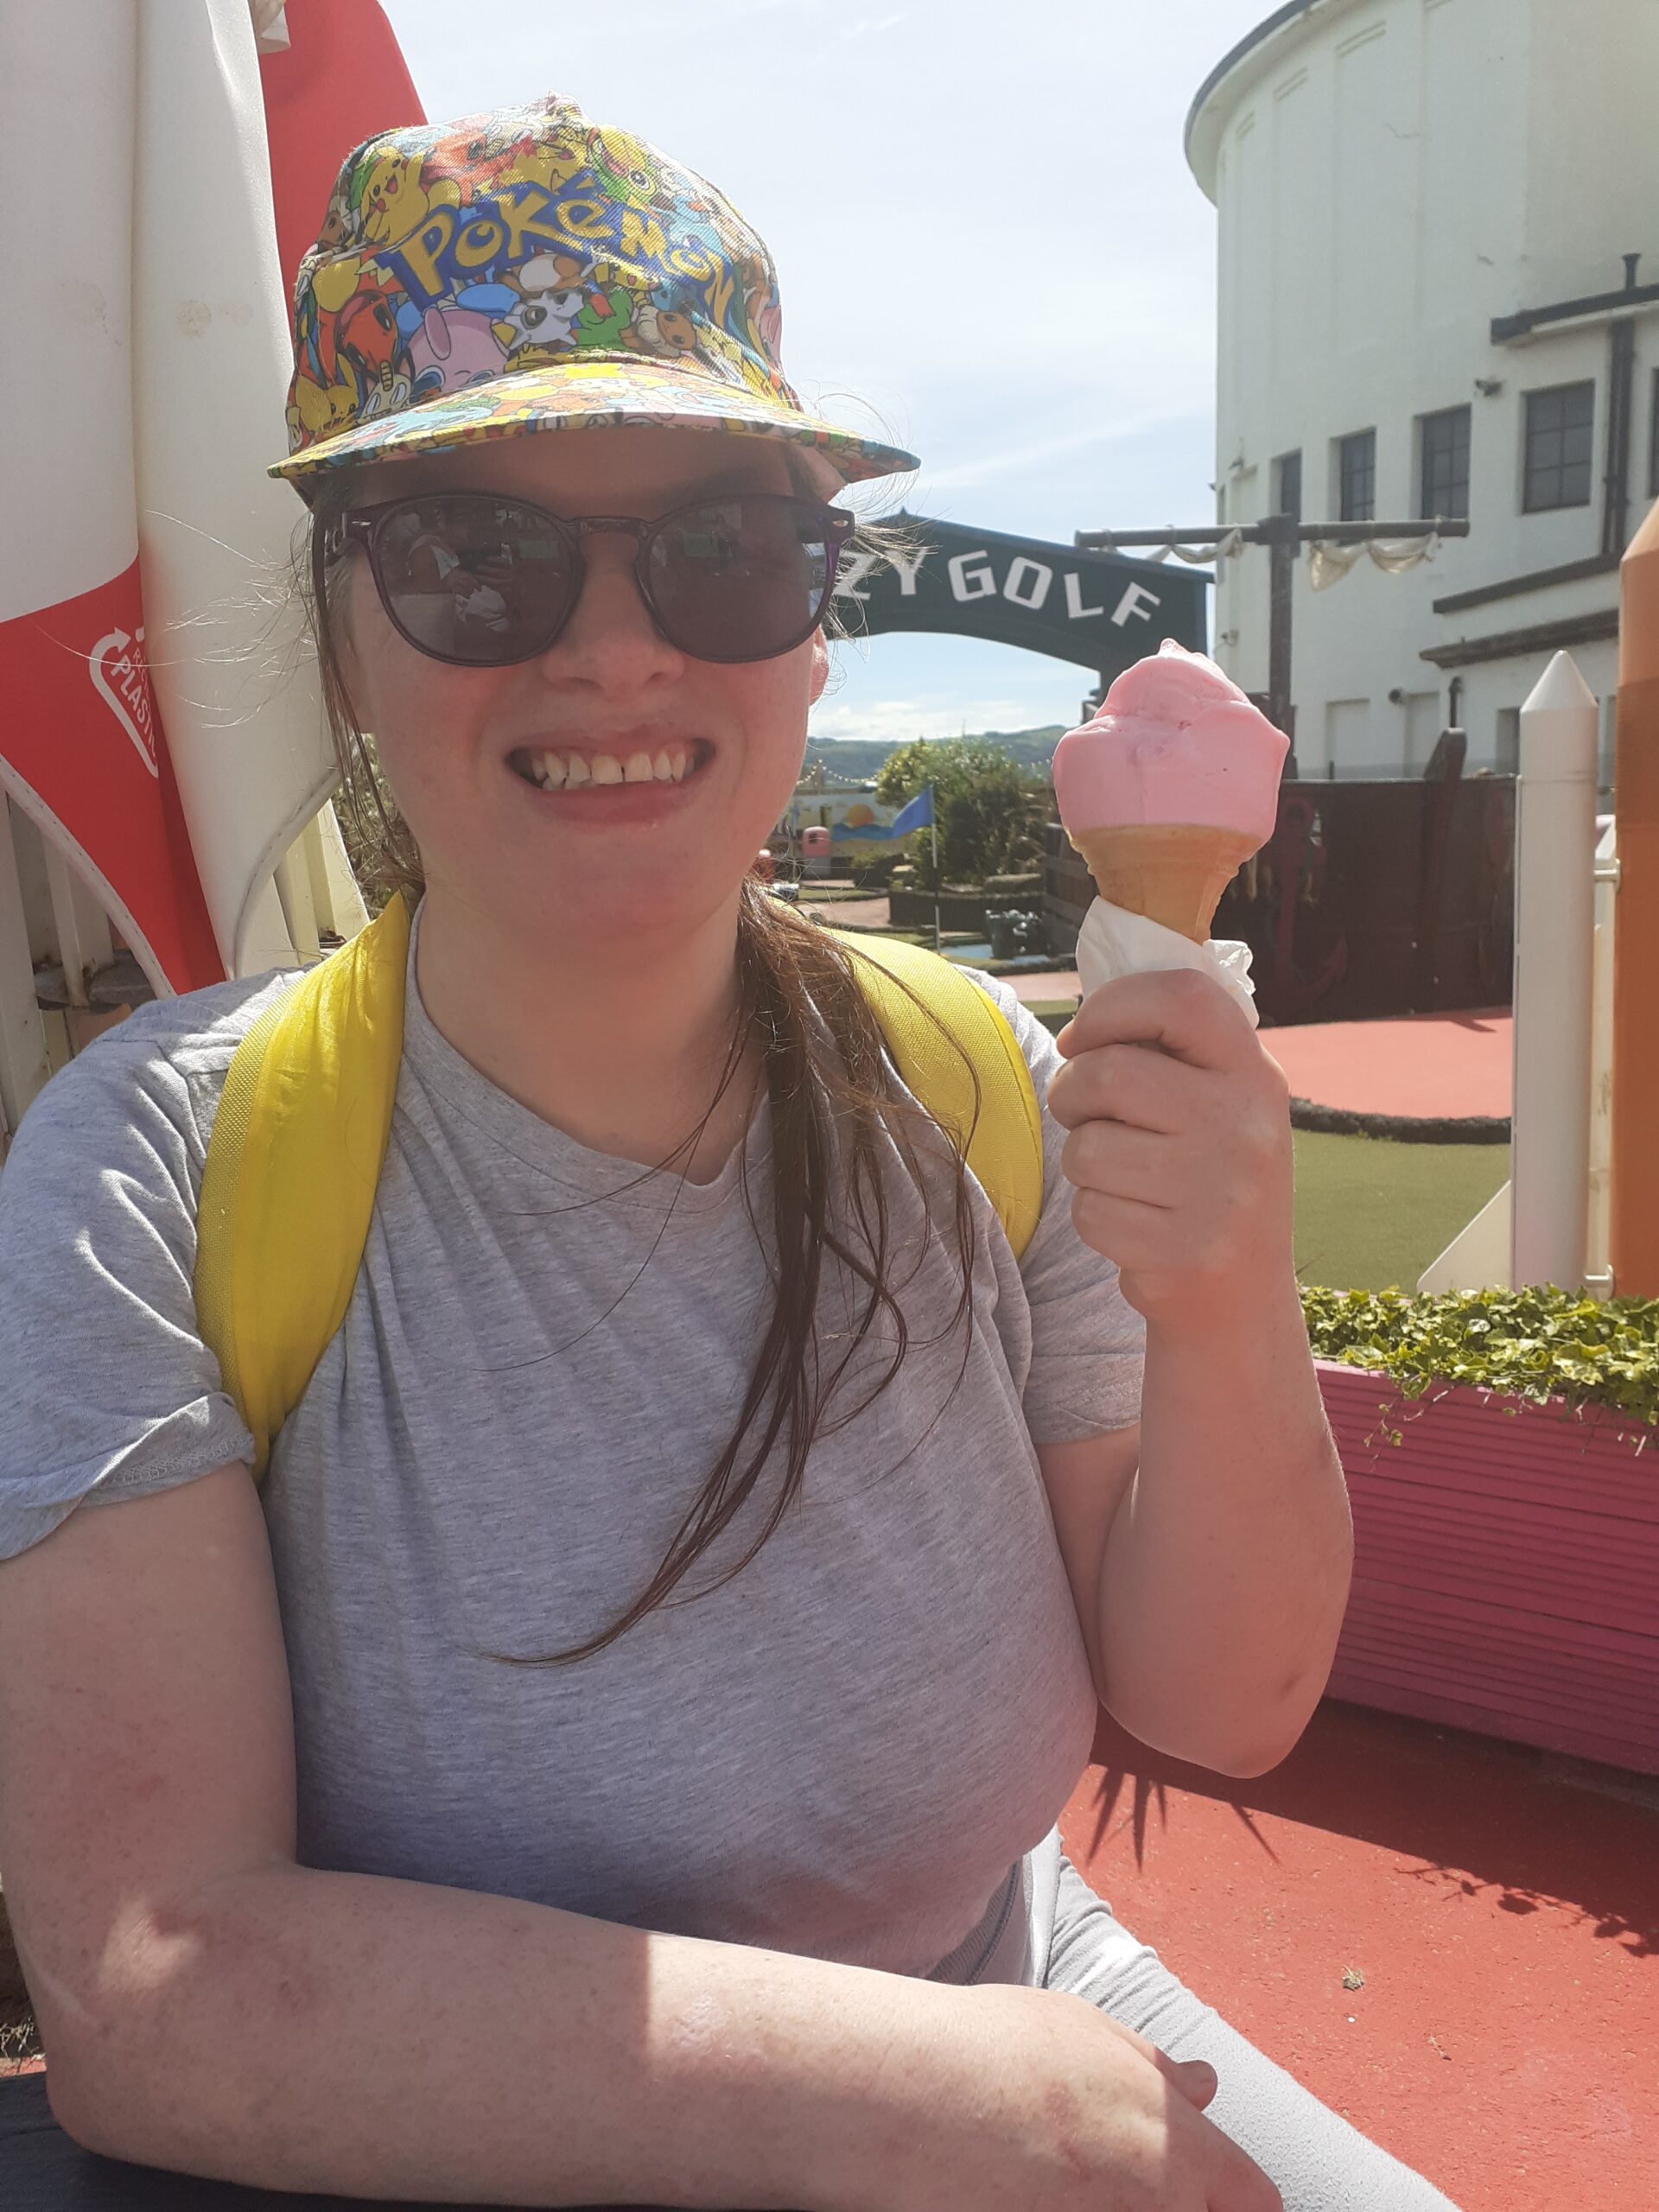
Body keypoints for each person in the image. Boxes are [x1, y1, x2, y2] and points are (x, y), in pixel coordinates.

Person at [0, 95, 1461, 2212]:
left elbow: (1225, 1699)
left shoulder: (978, 1085)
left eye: (724, 545)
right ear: (341, 633)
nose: (617, 647)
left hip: (1013, 1985)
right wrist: (955, 2104)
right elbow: (159, 1984)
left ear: (814, 619)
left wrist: (1232, 1298)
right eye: (476, 553)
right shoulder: (151, 1172)